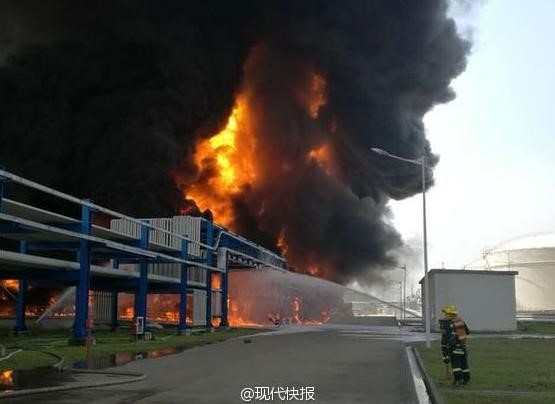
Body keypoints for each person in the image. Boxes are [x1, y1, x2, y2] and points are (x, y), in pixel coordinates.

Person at [439, 304, 470, 386]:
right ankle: (466, 379)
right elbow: (467, 332)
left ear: (448, 314)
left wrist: (444, 355)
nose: (444, 315)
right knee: (464, 364)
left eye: (445, 314)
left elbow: (444, 339)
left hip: (453, 348)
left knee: (456, 365)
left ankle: (458, 380)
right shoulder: (460, 321)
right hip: (463, 347)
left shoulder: (446, 324)